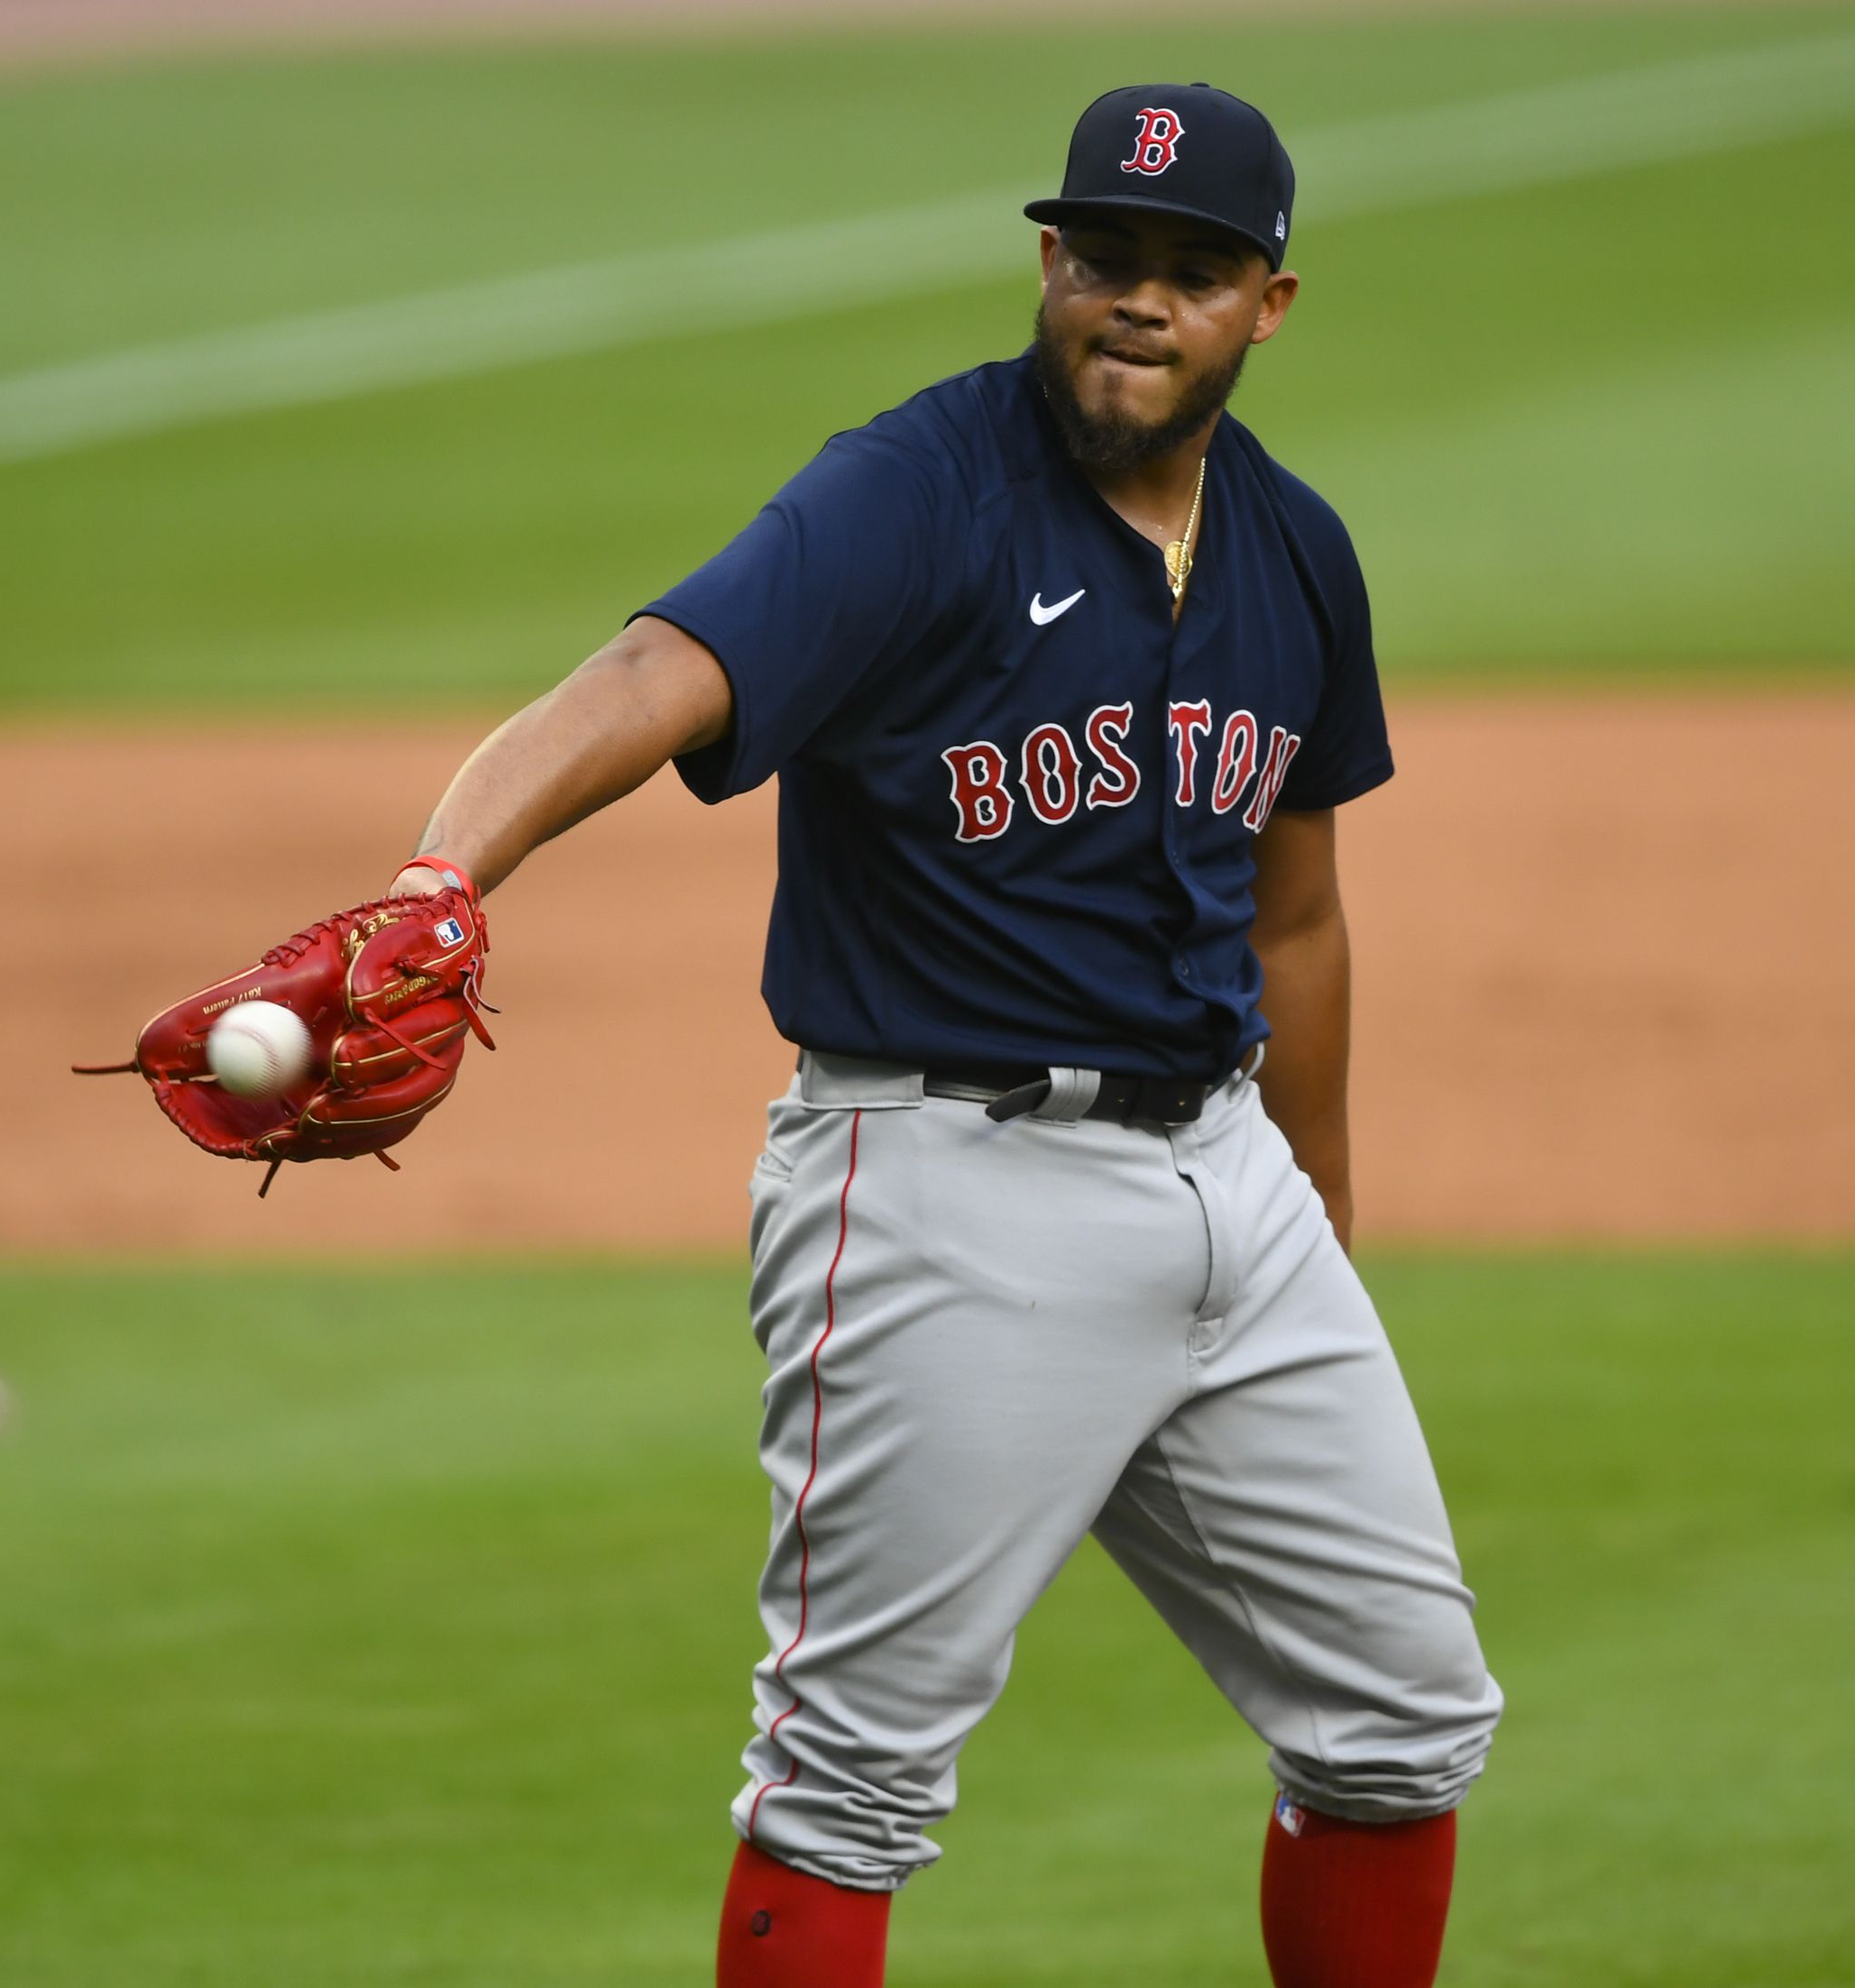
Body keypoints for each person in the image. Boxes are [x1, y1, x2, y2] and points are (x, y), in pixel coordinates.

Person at [350, 79, 1501, 1987]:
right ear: (1046, 263)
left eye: (1190, 271)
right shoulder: (918, 491)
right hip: (947, 1189)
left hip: (1232, 1189)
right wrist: (437, 880)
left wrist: (1321, 1230)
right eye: (1101, 257)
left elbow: (1295, 914)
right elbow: (652, 670)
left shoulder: (1297, 554)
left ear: (1265, 306)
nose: (1136, 299)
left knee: (1400, 1726)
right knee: (845, 1790)